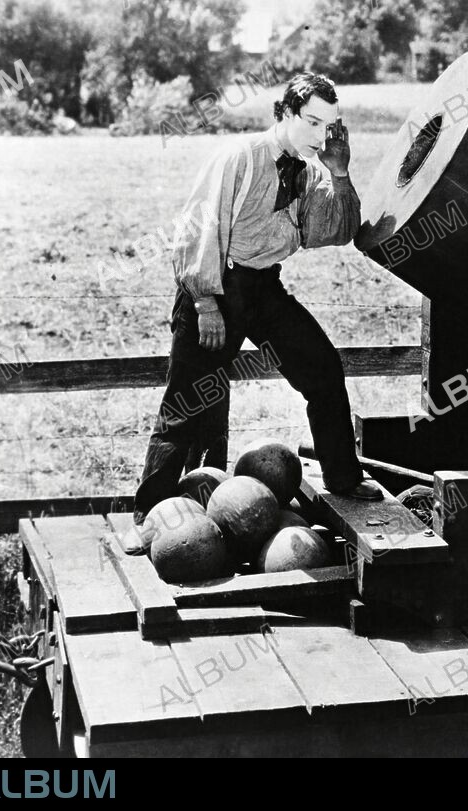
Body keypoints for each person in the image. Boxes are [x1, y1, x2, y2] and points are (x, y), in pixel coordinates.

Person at [134, 73, 382, 524]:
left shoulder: (307, 171)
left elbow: (337, 231)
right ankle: (150, 515)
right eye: (310, 122)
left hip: (264, 288)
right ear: (284, 114)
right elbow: (197, 229)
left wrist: (340, 171)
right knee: (186, 405)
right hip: (216, 285)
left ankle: (343, 477)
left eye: (329, 126)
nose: (319, 135)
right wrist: (206, 303)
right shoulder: (239, 157)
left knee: (322, 367)